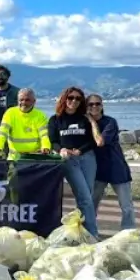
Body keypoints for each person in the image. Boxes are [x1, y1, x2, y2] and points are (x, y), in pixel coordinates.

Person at [48, 86, 101, 238]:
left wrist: (80, 150)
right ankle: (92, 234)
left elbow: (92, 141)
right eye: (71, 97)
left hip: (88, 159)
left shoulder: (85, 119)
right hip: (68, 160)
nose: (74, 101)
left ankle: (81, 231)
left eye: (78, 98)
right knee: (84, 196)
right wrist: (62, 150)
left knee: (86, 197)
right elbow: (53, 141)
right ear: (64, 99)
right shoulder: (55, 119)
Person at [86, 94, 135, 231]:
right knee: (91, 204)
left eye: (97, 104)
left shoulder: (110, 122)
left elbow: (100, 142)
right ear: (86, 107)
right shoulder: (83, 124)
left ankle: (128, 232)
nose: (94, 106)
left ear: (102, 106)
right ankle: (89, 230)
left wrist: (92, 122)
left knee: (126, 205)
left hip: (116, 168)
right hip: (97, 170)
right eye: (91, 104)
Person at [0, 88, 49, 158]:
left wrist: (46, 147)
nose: (24, 102)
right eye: (21, 100)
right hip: (14, 158)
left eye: (27, 100)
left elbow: (44, 135)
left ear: (34, 101)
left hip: (35, 158)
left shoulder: (40, 115)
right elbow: (2, 132)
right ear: (17, 101)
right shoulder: (10, 113)